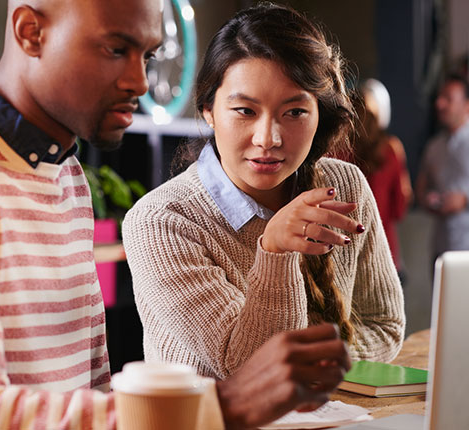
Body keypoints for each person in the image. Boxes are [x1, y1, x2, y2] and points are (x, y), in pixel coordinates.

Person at [0, 0, 351, 429]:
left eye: (146, 56)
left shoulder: (63, 169)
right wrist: (220, 405)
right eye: (115, 50)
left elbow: (89, 388)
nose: (140, 82)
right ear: (31, 31)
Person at [123, 1, 405, 384]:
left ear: (319, 113)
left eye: (294, 112)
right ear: (208, 109)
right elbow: (249, 371)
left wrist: (311, 367)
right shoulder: (161, 222)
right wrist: (275, 251)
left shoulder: (345, 185)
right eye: (244, 111)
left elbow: (384, 325)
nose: (268, 139)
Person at [350, 79, 412, 280]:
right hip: (384, 253)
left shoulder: (333, 152)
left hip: (346, 257)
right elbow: (399, 209)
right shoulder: (391, 150)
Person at [416, 74, 469, 260]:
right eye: (439, 97)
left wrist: (464, 201)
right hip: (442, 249)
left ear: (466, 105)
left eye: (448, 98)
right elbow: (421, 189)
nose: (439, 104)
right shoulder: (434, 147)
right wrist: (427, 199)